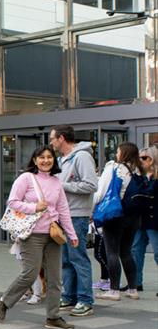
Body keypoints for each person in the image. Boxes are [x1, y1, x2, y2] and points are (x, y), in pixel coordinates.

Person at [0, 145, 78, 329]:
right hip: (31, 234)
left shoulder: (56, 182)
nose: (46, 160)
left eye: (49, 157)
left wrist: (72, 234)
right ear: (34, 160)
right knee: (30, 273)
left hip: (53, 235)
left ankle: (53, 317)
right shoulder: (26, 178)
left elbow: (63, 209)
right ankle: (4, 302)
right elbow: (12, 202)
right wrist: (34, 207)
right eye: (42, 157)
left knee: (55, 278)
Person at [49, 125, 98, 317]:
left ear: (61, 138)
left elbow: (91, 185)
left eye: (53, 138)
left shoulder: (82, 157)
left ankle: (85, 299)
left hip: (77, 214)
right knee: (66, 259)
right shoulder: (62, 159)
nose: (51, 142)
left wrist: (62, 185)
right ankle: (69, 295)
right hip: (64, 214)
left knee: (78, 257)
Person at [93, 143, 145, 301]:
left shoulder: (114, 167)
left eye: (117, 151)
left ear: (123, 153)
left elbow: (101, 192)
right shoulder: (138, 170)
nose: (116, 153)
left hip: (115, 215)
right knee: (126, 252)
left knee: (112, 252)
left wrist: (92, 207)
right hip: (133, 217)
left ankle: (113, 290)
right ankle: (132, 289)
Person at [131, 146, 158, 293]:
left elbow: (148, 194)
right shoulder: (138, 177)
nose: (140, 161)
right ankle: (135, 283)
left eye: (144, 158)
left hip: (154, 220)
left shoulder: (155, 177)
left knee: (157, 252)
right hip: (140, 219)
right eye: (139, 158)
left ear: (152, 159)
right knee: (136, 250)